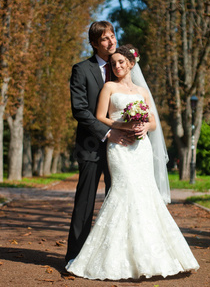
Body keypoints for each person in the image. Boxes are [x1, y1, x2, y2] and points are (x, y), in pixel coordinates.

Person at [65, 45, 199, 280]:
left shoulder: (142, 91)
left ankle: (150, 256)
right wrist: (122, 125)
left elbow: (154, 122)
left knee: (145, 196)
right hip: (119, 148)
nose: (117, 66)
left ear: (131, 64)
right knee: (122, 192)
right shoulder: (109, 87)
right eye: (114, 63)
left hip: (141, 149)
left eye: (121, 62)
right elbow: (100, 117)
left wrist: (145, 125)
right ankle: (114, 259)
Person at [65, 21, 135, 264]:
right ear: (94, 44)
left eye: (113, 36)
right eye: (104, 39)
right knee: (85, 203)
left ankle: (111, 259)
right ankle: (74, 259)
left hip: (123, 149)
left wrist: (138, 125)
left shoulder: (124, 69)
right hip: (92, 148)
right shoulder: (81, 70)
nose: (111, 41)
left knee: (116, 204)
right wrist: (107, 133)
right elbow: (80, 110)